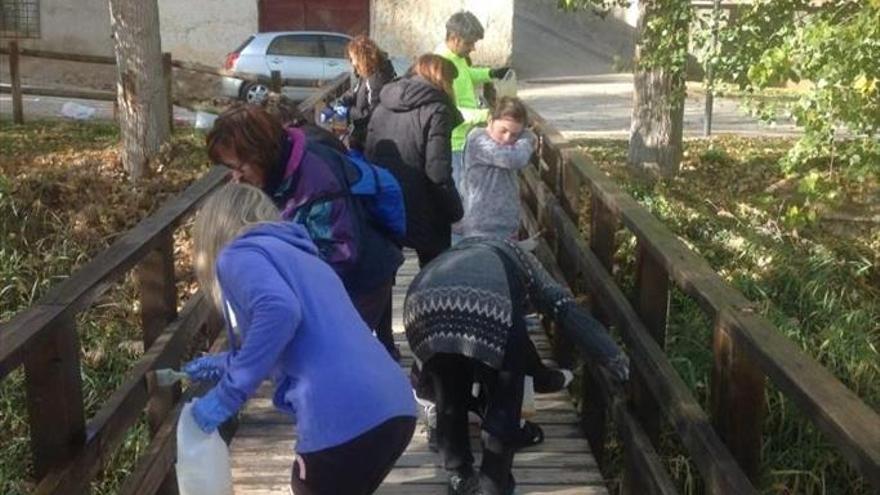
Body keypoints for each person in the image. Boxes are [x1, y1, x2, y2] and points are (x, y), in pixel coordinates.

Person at [183, 184, 417, 494]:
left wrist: (228, 394)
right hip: (393, 406)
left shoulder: (236, 255)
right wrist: (228, 362)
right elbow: (301, 341)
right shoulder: (304, 258)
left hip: (343, 417)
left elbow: (279, 312)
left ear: (212, 233)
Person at [404, 237, 629, 495]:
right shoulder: (525, 262)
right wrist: (614, 358)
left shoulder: (458, 251)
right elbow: (564, 309)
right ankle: (493, 485)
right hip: (487, 306)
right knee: (506, 400)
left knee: (449, 392)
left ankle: (459, 475)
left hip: (421, 302)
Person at [207, 105, 402, 358]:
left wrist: (279, 283)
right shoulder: (277, 169)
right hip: (331, 283)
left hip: (362, 281)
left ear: (260, 153)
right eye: (228, 168)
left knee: (333, 363)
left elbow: (341, 253)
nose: (235, 177)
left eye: (239, 166)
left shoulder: (315, 179)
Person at [365, 54, 464, 267]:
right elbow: (437, 171)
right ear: (443, 79)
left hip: (387, 201)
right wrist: (455, 210)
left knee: (384, 275)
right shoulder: (437, 110)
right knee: (435, 275)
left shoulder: (383, 104)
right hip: (426, 205)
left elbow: (371, 154)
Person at [436, 10, 512, 192]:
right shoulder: (440, 64)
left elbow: (466, 75)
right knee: (460, 195)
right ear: (455, 38)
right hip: (453, 141)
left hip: (463, 137)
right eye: (469, 43)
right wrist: (487, 114)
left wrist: (490, 73)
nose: (473, 48)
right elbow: (449, 110)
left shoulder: (456, 58)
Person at [459, 97, 536, 241]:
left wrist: (523, 136)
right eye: (503, 130)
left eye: (514, 135)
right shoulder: (478, 139)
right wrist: (526, 138)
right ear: (490, 121)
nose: (507, 138)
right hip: (481, 227)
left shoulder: (511, 144)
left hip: (508, 225)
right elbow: (513, 159)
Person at [339, 35, 398, 150]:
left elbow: (372, 113)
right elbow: (356, 90)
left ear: (362, 57)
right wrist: (342, 101)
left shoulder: (376, 79)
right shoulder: (367, 73)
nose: (352, 63)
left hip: (369, 137)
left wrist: (349, 111)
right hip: (361, 132)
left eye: (353, 58)